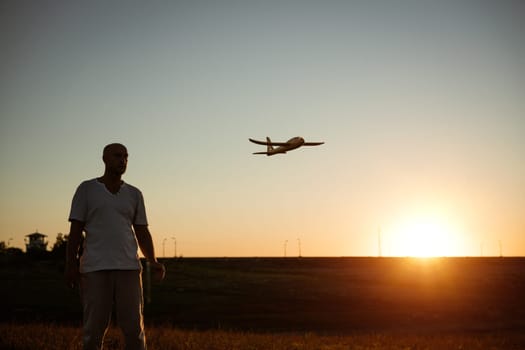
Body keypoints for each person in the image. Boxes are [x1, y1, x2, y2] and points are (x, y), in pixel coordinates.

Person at [65, 143, 165, 350]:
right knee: (93, 330)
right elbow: (75, 232)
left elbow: (142, 232)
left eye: (126, 157)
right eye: (118, 155)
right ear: (104, 159)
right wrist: (70, 265)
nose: (123, 160)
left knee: (134, 330)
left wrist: (153, 261)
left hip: (129, 268)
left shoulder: (134, 194)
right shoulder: (86, 189)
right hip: (94, 268)